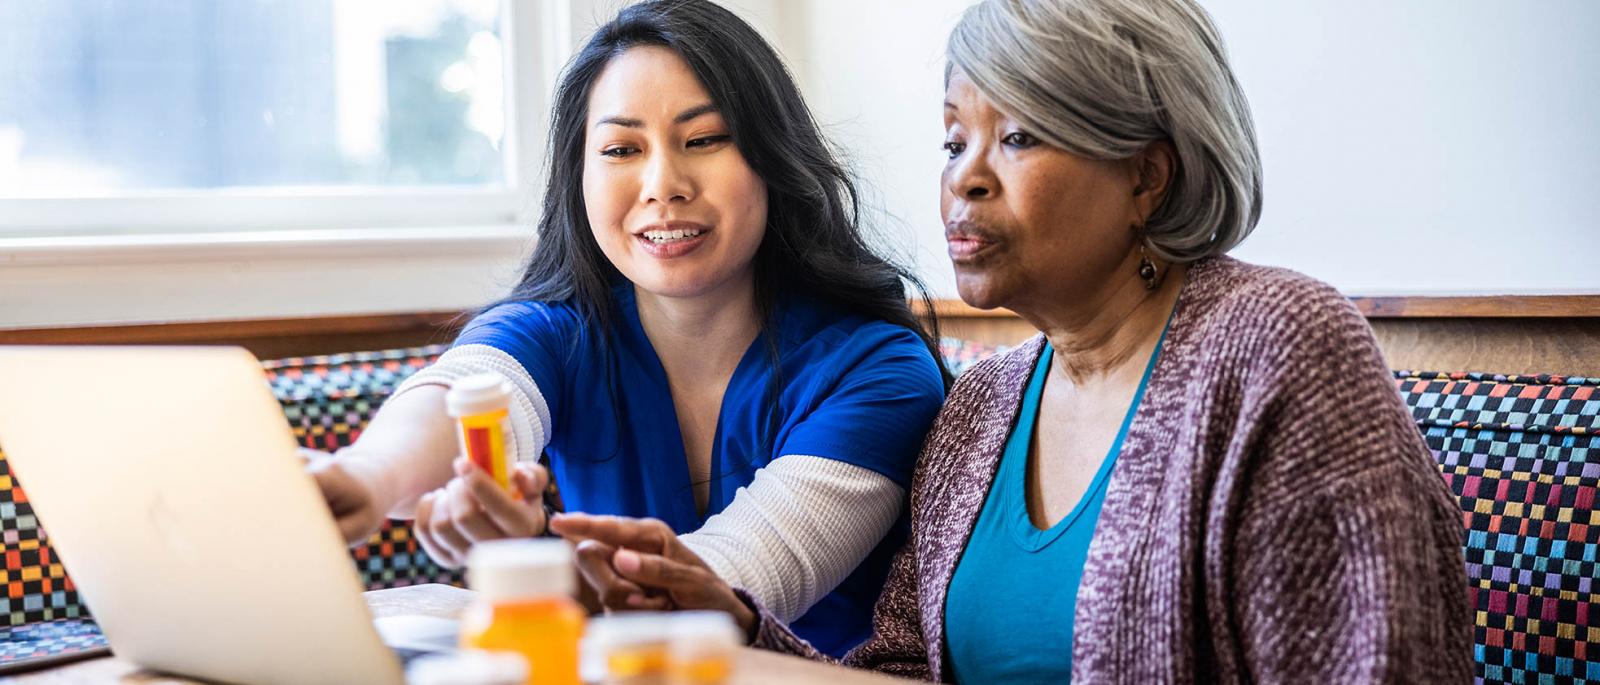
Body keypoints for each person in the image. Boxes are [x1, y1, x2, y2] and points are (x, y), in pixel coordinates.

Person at [549, 0, 1475, 680]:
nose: (966, 182)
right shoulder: (980, 407)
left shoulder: (1282, 348)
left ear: (1148, 175)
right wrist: (728, 620)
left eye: (1021, 137)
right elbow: (902, 672)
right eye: (955, 142)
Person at [306, 0, 947, 658]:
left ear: (772, 159)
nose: (663, 184)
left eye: (703, 140)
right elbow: (469, 395)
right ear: (578, 177)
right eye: (620, 149)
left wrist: (526, 564)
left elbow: (721, 588)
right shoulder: (557, 332)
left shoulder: (879, 371)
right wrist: (363, 479)